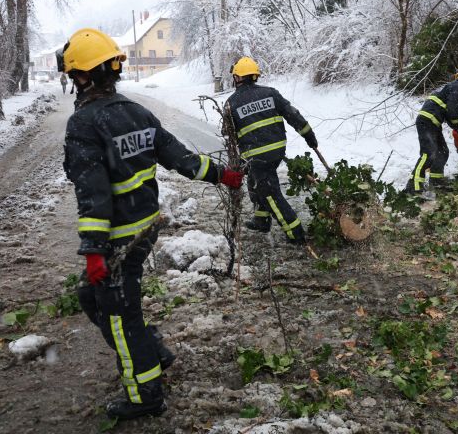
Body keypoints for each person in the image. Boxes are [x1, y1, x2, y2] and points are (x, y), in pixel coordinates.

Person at [57, 28, 243, 421]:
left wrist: (94, 250)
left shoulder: (85, 124)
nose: (74, 83)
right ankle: (152, 351)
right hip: (146, 226)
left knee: (120, 316)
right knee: (93, 299)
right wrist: (221, 174)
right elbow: (182, 158)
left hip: (119, 239)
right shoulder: (136, 111)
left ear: (85, 76)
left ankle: (145, 394)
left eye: (74, 76)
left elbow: (93, 195)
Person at [224, 57, 317, 244]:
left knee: (271, 195)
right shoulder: (271, 93)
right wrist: (309, 136)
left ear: (238, 78)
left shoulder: (231, 103)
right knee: (255, 182)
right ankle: (261, 220)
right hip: (276, 153)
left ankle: (295, 233)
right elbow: (293, 115)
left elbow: (228, 135)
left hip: (255, 157)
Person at [404, 68, 458, 194]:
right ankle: (413, 187)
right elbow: (453, 112)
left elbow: (449, 114)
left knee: (443, 152)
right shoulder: (457, 87)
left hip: (433, 123)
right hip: (427, 121)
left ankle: (436, 183)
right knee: (428, 154)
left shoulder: (454, 87)